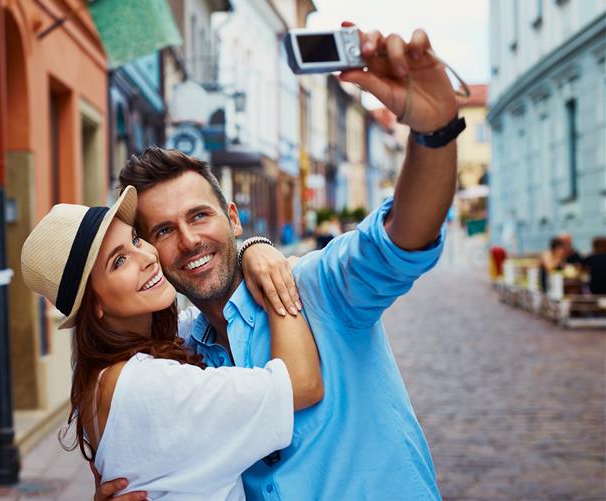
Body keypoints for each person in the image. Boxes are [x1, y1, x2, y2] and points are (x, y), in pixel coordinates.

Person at [97, 22, 461, 500]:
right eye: (163, 230)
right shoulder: (181, 357)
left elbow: (400, 241)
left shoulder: (319, 289)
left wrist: (433, 134)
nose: (188, 240)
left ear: (233, 218)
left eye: (200, 216)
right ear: (149, 249)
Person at [20, 185, 324, 500]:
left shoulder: (104, 375)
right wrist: (276, 273)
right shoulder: (146, 386)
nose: (147, 258)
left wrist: (249, 248)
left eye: (136, 240)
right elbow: (300, 385)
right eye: (119, 261)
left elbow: (201, 319)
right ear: (94, 305)